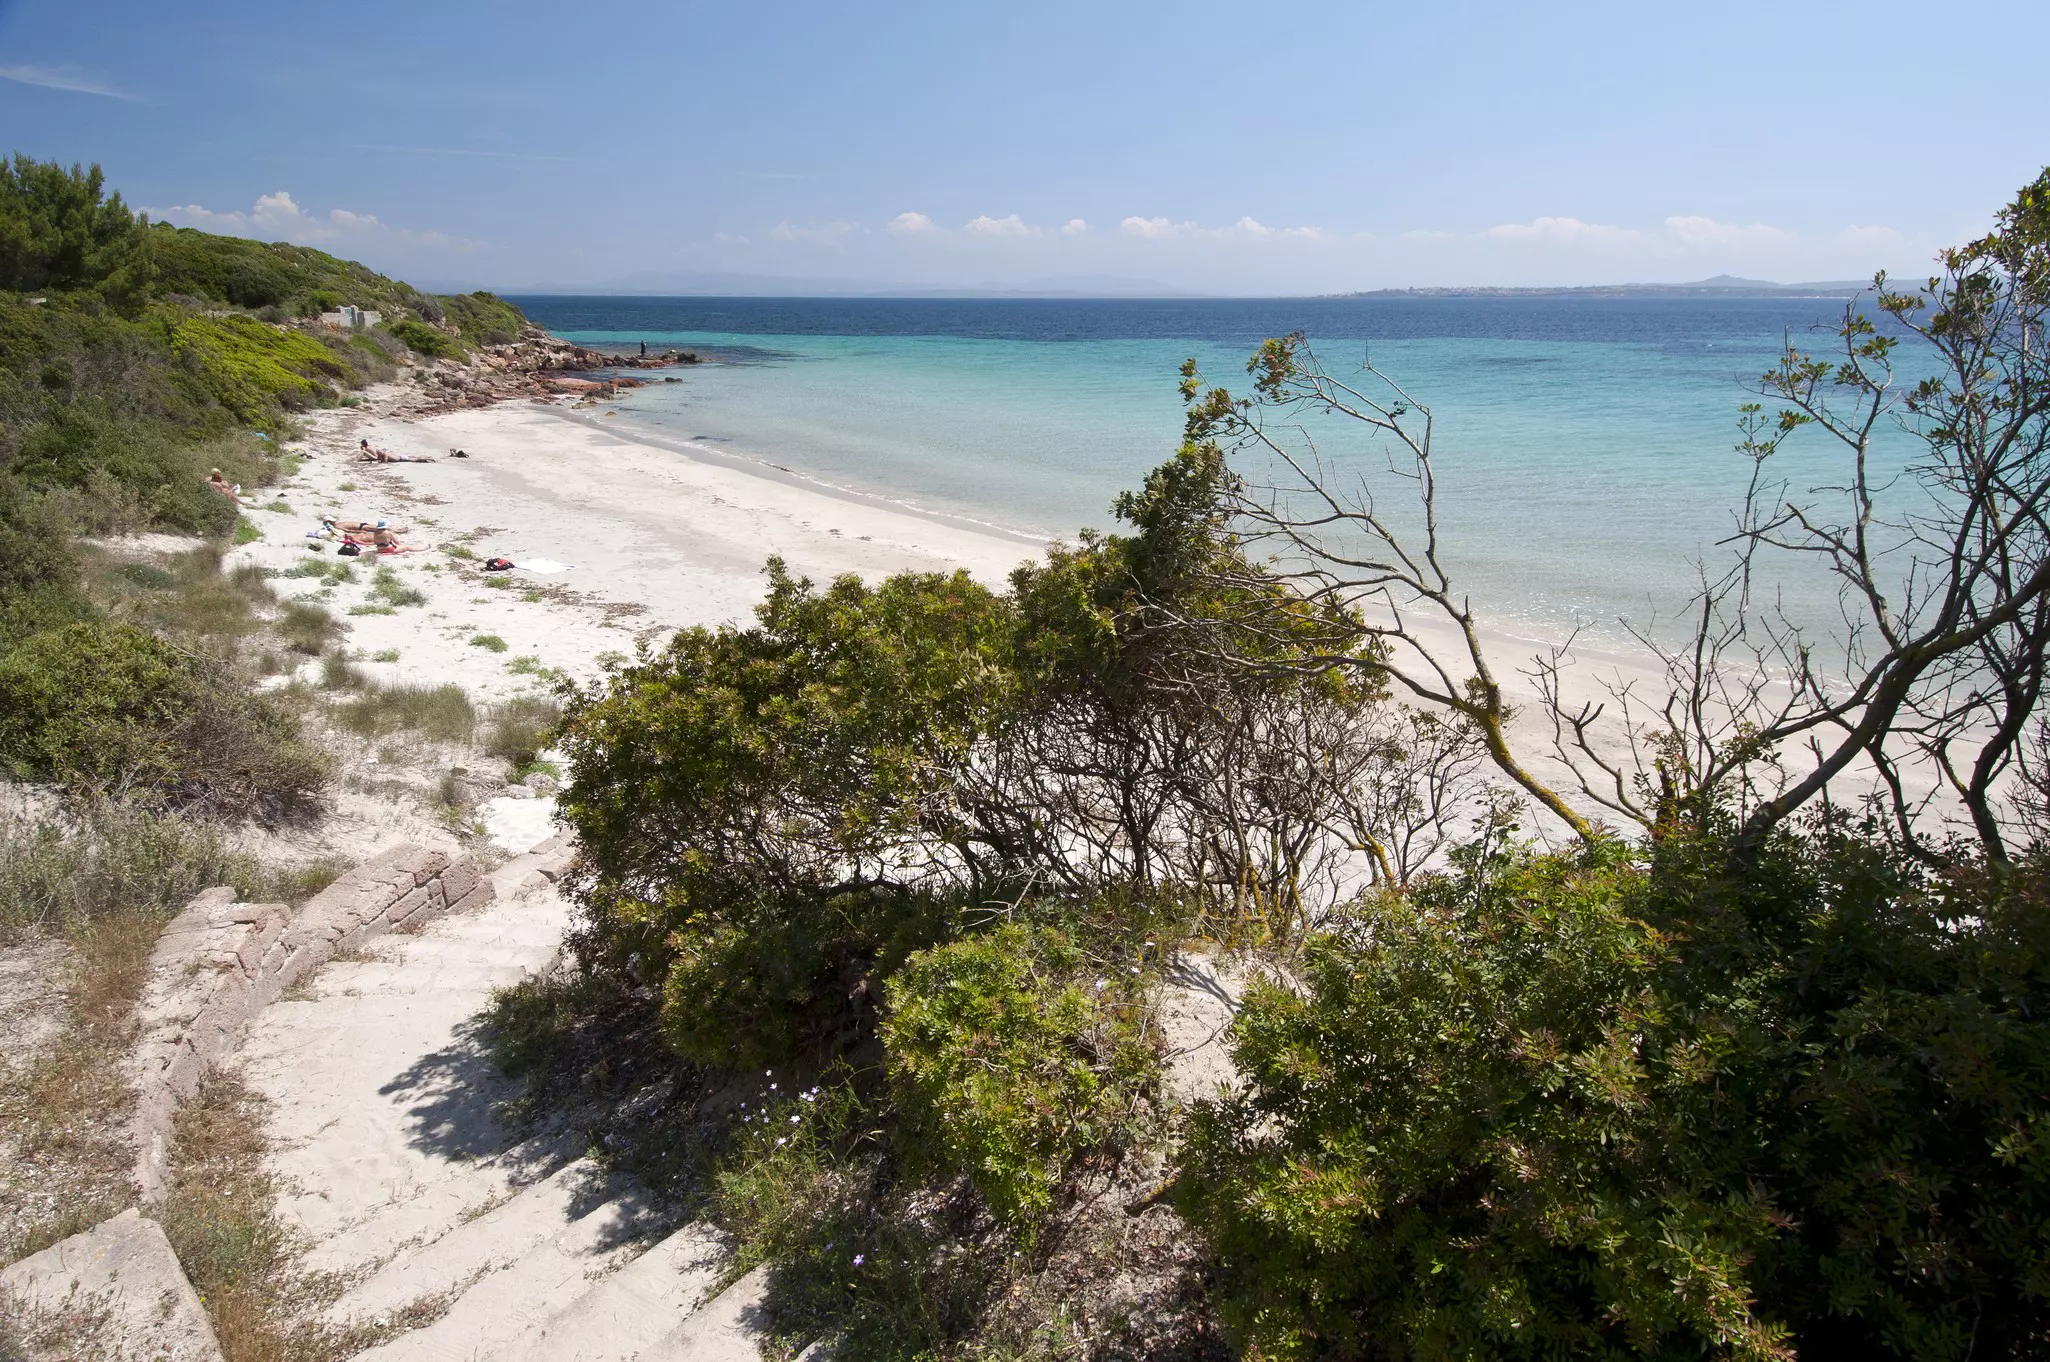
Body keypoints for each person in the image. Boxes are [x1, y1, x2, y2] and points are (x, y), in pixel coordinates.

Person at [357, 438, 435, 464]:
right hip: (401, 457)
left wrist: (381, 462)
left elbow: (385, 462)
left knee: (416, 459)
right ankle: (428, 458)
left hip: (401, 458)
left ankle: (430, 458)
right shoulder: (384, 453)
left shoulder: (385, 454)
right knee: (416, 458)